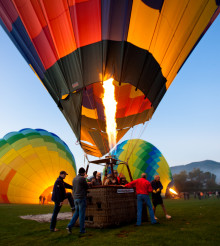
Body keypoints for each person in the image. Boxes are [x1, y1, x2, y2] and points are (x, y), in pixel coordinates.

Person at [67, 167, 89, 234]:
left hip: (75, 198)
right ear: (83, 173)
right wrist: (85, 178)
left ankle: (69, 226)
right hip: (81, 198)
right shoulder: (82, 179)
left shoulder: (74, 179)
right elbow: (87, 186)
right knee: (82, 215)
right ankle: (82, 230)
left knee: (76, 213)